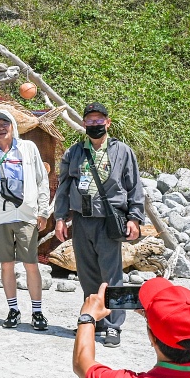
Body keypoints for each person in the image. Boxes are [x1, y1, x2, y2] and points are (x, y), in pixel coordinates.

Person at [54, 102, 145, 347]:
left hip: (110, 219)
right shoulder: (74, 152)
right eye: (90, 121)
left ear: (108, 122)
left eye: (99, 120)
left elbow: (135, 187)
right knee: (87, 274)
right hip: (82, 219)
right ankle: (95, 320)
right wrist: (60, 218)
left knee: (113, 274)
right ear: (84, 123)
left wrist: (135, 218)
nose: (95, 125)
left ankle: (115, 326)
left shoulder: (122, 151)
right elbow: (63, 187)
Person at [0, 109, 51, 331]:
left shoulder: (28, 148)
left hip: (26, 213)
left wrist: (43, 210)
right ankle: (13, 309)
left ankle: (37, 312)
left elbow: (42, 179)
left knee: (31, 264)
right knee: (6, 265)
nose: (1, 128)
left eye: (5, 123)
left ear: (13, 126)